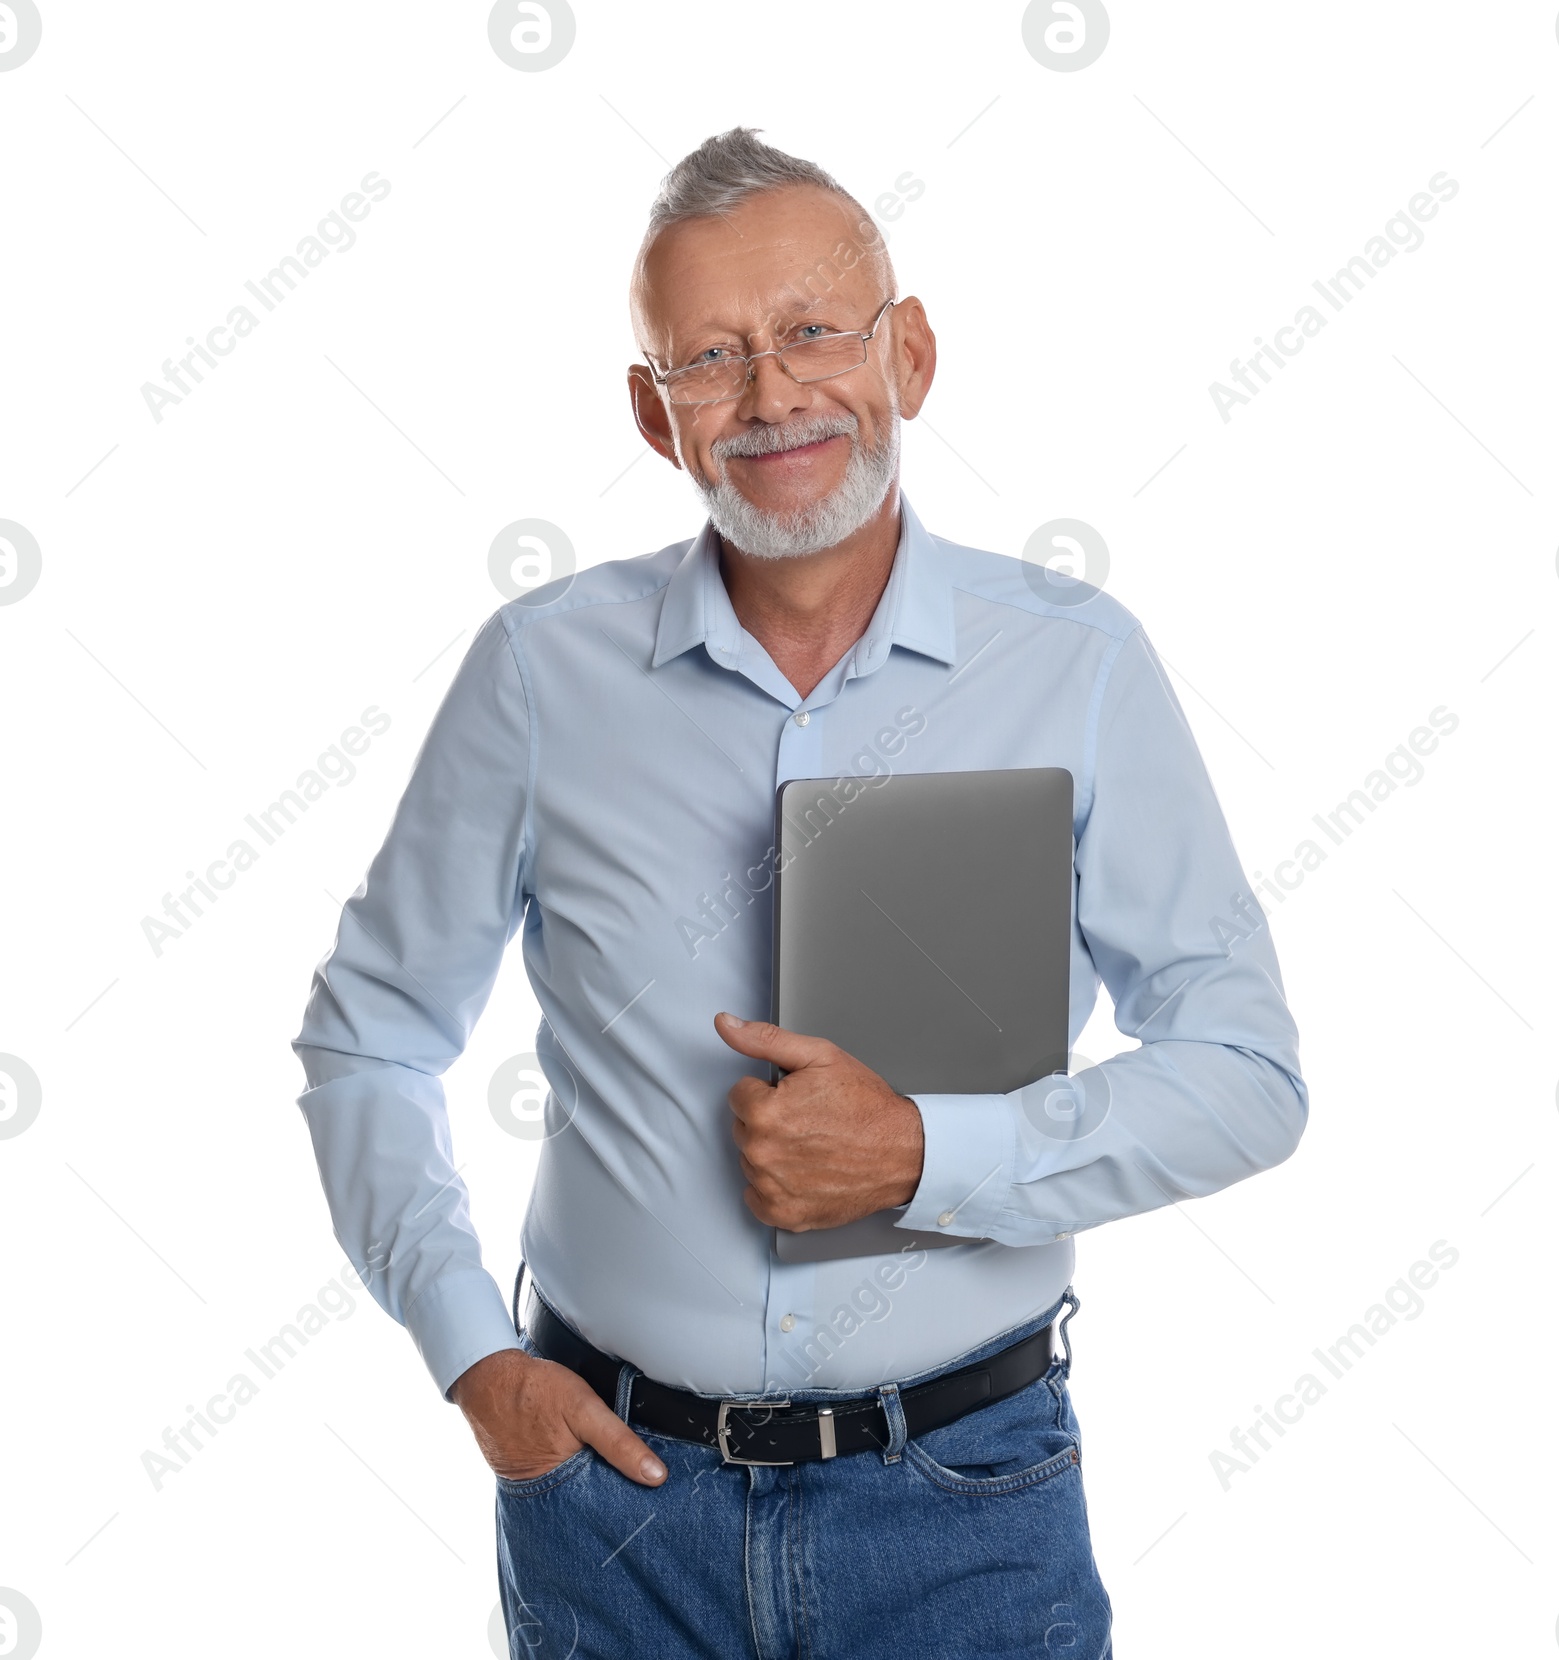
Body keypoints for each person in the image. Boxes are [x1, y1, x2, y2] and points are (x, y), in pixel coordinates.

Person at [291, 126, 1308, 1660]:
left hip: (967, 1500)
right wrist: (473, 1360)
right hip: (610, 1504)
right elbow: (369, 1040)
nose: (771, 395)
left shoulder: (1080, 666)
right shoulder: (540, 673)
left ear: (911, 353)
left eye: (813, 333)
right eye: (710, 357)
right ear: (655, 415)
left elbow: (1247, 1078)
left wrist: (923, 1152)